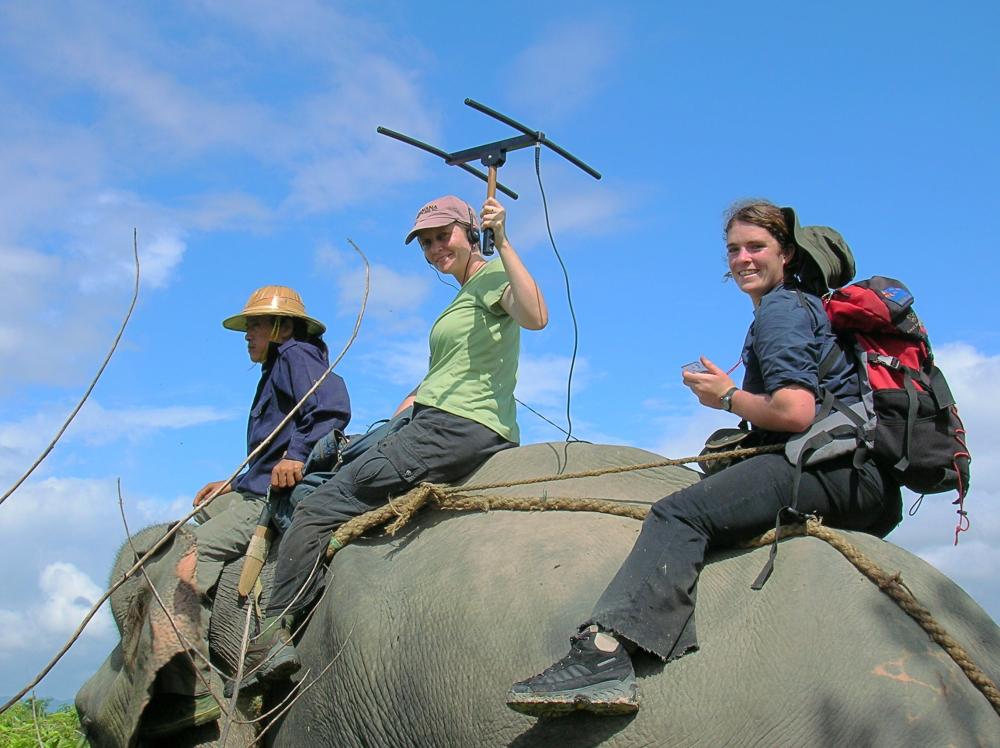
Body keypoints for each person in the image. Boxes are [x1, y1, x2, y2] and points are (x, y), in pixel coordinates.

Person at [505, 200, 902, 717]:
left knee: (679, 511)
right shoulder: (808, 308)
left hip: (836, 471)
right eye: (734, 249)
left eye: (756, 247)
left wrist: (726, 398)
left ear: (786, 253)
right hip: (864, 480)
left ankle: (604, 657)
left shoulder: (782, 310)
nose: (742, 259)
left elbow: (796, 411)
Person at [239, 195, 549, 689]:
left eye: (442, 236)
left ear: (472, 232)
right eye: (425, 243)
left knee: (318, 508)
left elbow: (535, 316)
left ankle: (274, 634)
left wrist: (506, 239)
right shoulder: (464, 293)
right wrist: (409, 403)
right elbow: (450, 371)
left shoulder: (492, 277)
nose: (433, 250)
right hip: (438, 419)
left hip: (452, 429)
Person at [140, 286, 350, 738]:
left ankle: (190, 687)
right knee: (205, 508)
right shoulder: (278, 364)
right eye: (248, 325)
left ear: (281, 327)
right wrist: (235, 481)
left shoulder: (297, 355)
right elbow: (276, 437)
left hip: (267, 498)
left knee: (188, 556)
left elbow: (331, 408)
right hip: (255, 484)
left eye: (255, 325)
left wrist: (295, 456)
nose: (248, 335)